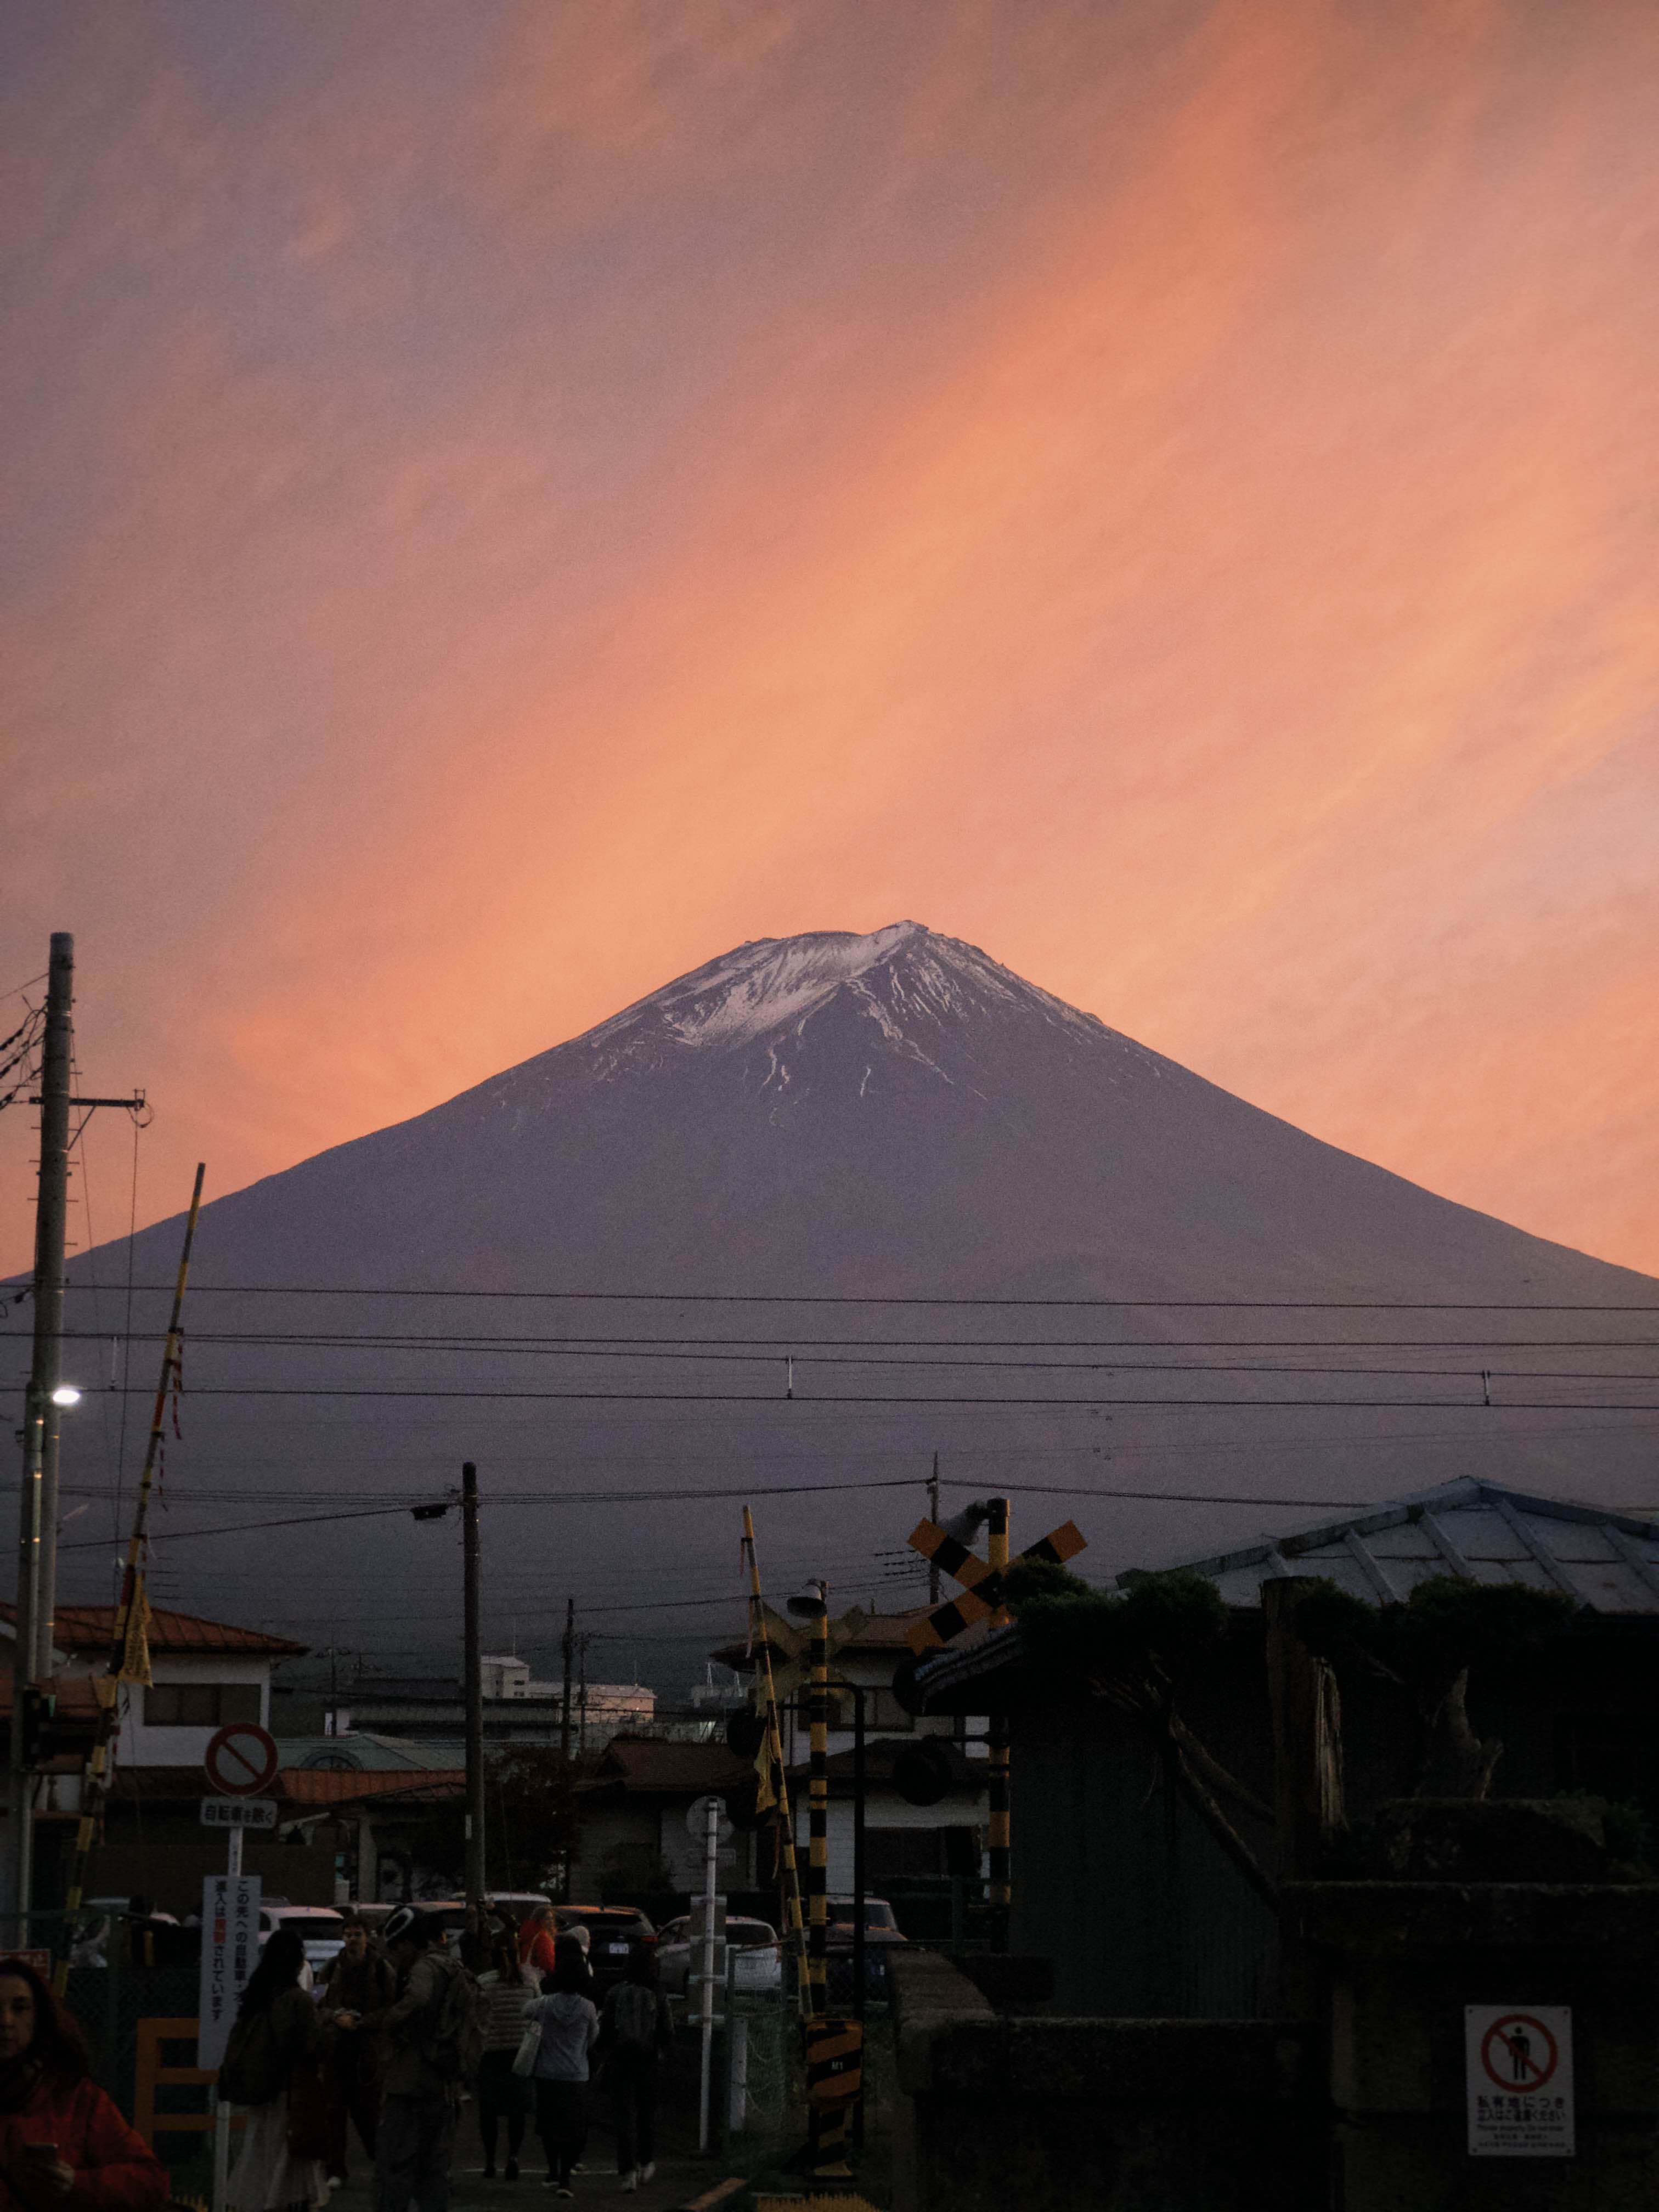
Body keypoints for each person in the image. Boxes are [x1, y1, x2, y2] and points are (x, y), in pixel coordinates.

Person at [0, 1954, 167, 2211]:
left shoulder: (76, 2100)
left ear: (39, 2017)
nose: (6, 2021)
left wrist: (77, 2183)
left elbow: (151, 2181)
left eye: (20, 2008)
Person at [367, 1908, 466, 2212]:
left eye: (396, 1948)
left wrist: (388, 2021)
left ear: (408, 1943)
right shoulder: (452, 1966)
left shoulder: (424, 1969)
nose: (394, 1957)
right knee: (433, 2167)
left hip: (411, 2081)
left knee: (395, 2161)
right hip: (442, 2081)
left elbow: (418, 1999)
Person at [222, 1928, 326, 2212]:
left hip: (260, 2089)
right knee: (290, 2161)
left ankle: (259, 2204)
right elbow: (311, 2047)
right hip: (290, 2092)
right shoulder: (298, 2000)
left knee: (260, 2156)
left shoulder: (257, 1996)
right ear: (298, 1961)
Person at [318, 1917, 395, 2190]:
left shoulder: (380, 1968)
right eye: (348, 1935)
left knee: (368, 2114)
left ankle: (383, 2165)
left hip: (368, 2050)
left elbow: (391, 2008)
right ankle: (335, 2169)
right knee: (334, 2114)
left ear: (367, 1937)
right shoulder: (333, 1966)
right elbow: (320, 2003)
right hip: (337, 2047)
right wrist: (335, 2017)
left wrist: (361, 2022)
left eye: (357, 1935)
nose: (352, 1940)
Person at [521, 1941, 597, 2198]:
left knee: (549, 2126)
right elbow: (593, 2038)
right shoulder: (588, 2008)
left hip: (547, 2073)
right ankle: (566, 2177)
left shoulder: (545, 2004)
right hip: (576, 2074)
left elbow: (525, 2011)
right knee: (573, 2129)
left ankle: (552, 2171)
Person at [596, 1950, 672, 2193]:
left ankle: (627, 2172)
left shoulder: (615, 1993)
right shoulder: (658, 1993)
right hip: (648, 2062)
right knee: (647, 2114)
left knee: (624, 2118)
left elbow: (605, 2031)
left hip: (620, 2061)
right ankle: (646, 2162)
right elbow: (667, 2031)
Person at [475, 1941, 533, 2181]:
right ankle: (514, 2157)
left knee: (489, 2112)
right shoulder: (529, 1984)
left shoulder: (484, 1983)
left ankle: (490, 2162)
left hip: (490, 2054)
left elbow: (476, 2016)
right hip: (519, 2054)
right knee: (516, 2112)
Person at [516, 1907, 558, 1984]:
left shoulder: (528, 1933)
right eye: (547, 1919)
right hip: (540, 1978)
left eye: (552, 1919)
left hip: (525, 1973)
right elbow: (547, 1962)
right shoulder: (542, 1937)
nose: (551, 1922)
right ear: (539, 1920)